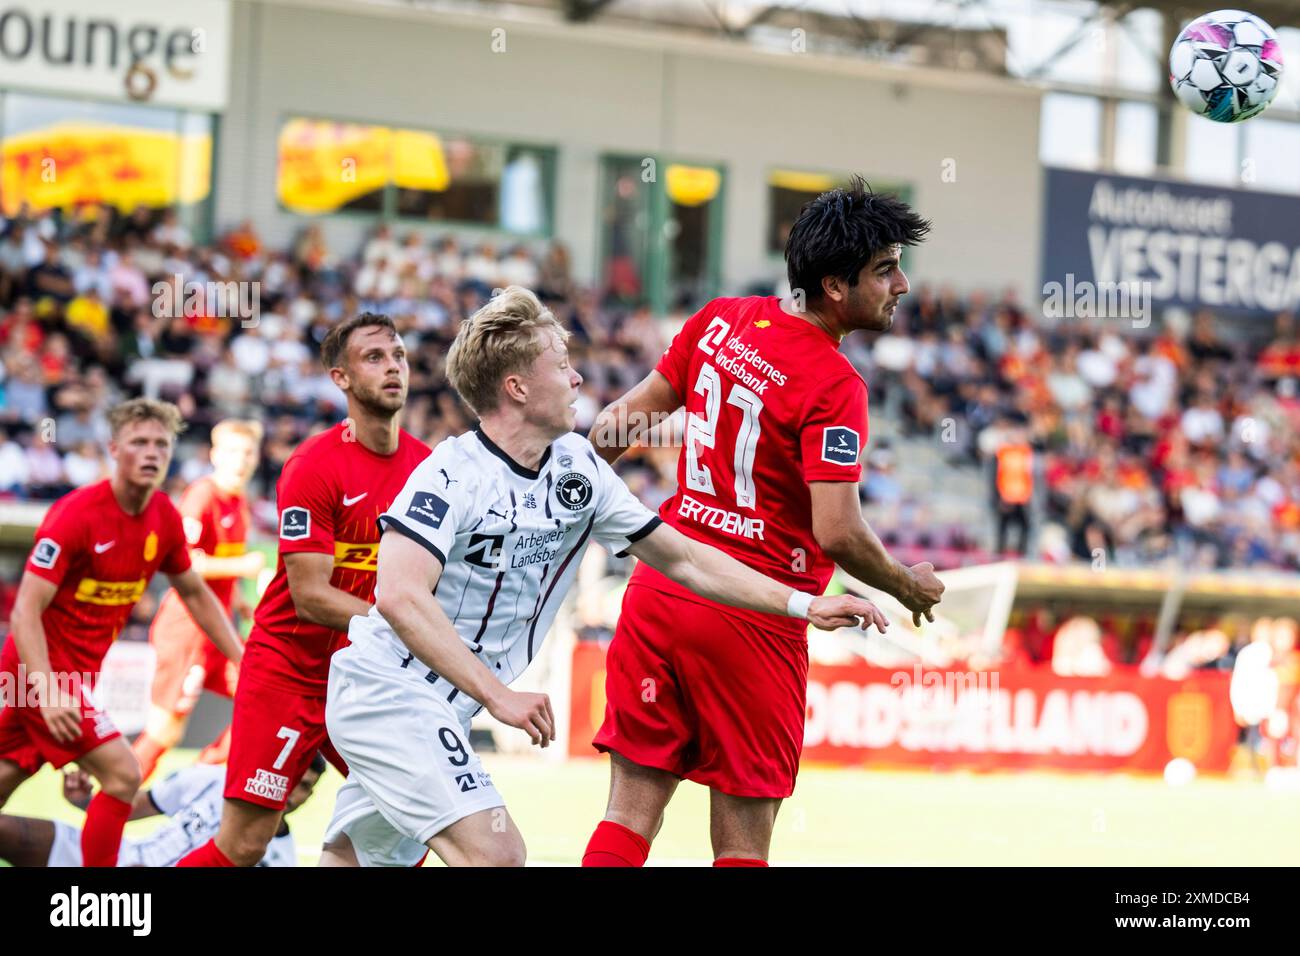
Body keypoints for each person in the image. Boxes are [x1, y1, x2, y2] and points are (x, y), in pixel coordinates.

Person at [316, 287, 885, 867]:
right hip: (390, 695)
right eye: (562, 367)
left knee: (354, 858)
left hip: (442, 706)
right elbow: (399, 596)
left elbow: (685, 559)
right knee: (499, 854)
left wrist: (798, 604)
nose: (578, 381)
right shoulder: (450, 474)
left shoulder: (577, 470)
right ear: (517, 387)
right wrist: (499, 695)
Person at [582, 178, 946, 866]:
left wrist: (553, 487)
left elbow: (614, 426)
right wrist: (906, 585)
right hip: (755, 615)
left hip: (662, 592)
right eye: (885, 270)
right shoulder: (837, 387)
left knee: (629, 812)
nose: (901, 284)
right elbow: (837, 533)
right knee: (743, 842)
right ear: (835, 287)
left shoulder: (719, 319)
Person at [176, 313, 429, 867]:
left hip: (364, 675)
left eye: (399, 356)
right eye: (374, 357)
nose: (393, 367)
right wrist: (411, 628)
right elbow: (311, 596)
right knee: (244, 844)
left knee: (415, 819)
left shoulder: (427, 469)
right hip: (289, 670)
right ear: (340, 378)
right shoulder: (313, 465)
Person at [0, 399, 243, 867]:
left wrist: (242, 655)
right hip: (42, 674)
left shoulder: (164, 518)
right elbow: (27, 609)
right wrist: (47, 691)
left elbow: (195, 593)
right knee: (122, 775)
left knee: (8, 774)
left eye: (161, 444)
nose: (152, 452)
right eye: (139, 442)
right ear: (114, 449)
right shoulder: (76, 514)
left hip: (75, 680)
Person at [133, 419, 267, 781]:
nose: (241, 460)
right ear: (215, 455)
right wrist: (244, 566)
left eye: (248, 452)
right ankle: (113, 797)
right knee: (165, 731)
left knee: (264, 699)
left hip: (220, 629)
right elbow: (183, 563)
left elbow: (217, 562)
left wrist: (237, 597)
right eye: (233, 452)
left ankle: (199, 779)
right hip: (188, 630)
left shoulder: (238, 502)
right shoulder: (202, 496)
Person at [0, 753, 325, 867]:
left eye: (306, 786)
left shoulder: (280, 858)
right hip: (121, 855)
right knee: (7, 831)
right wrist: (85, 802)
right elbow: (132, 809)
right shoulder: (212, 779)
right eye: (294, 778)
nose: (294, 791)